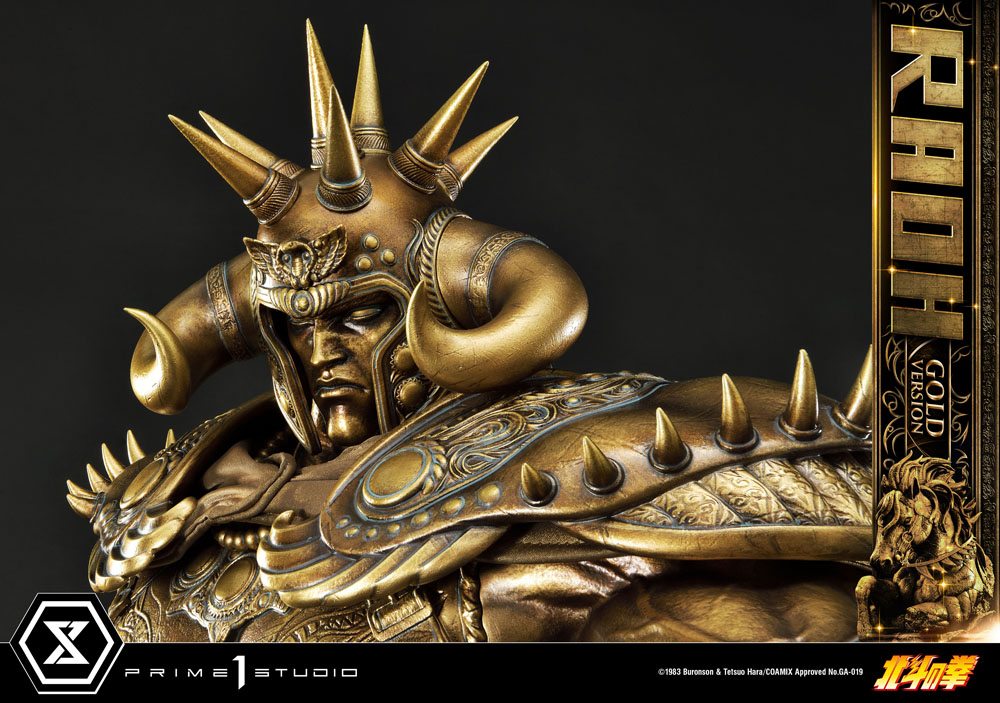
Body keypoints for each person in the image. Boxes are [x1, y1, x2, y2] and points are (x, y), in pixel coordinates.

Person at [67, 23, 874, 642]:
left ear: (431, 308)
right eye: (295, 326)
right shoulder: (192, 497)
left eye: (359, 316)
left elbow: (787, 618)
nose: (320, 351)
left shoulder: (549, 462)